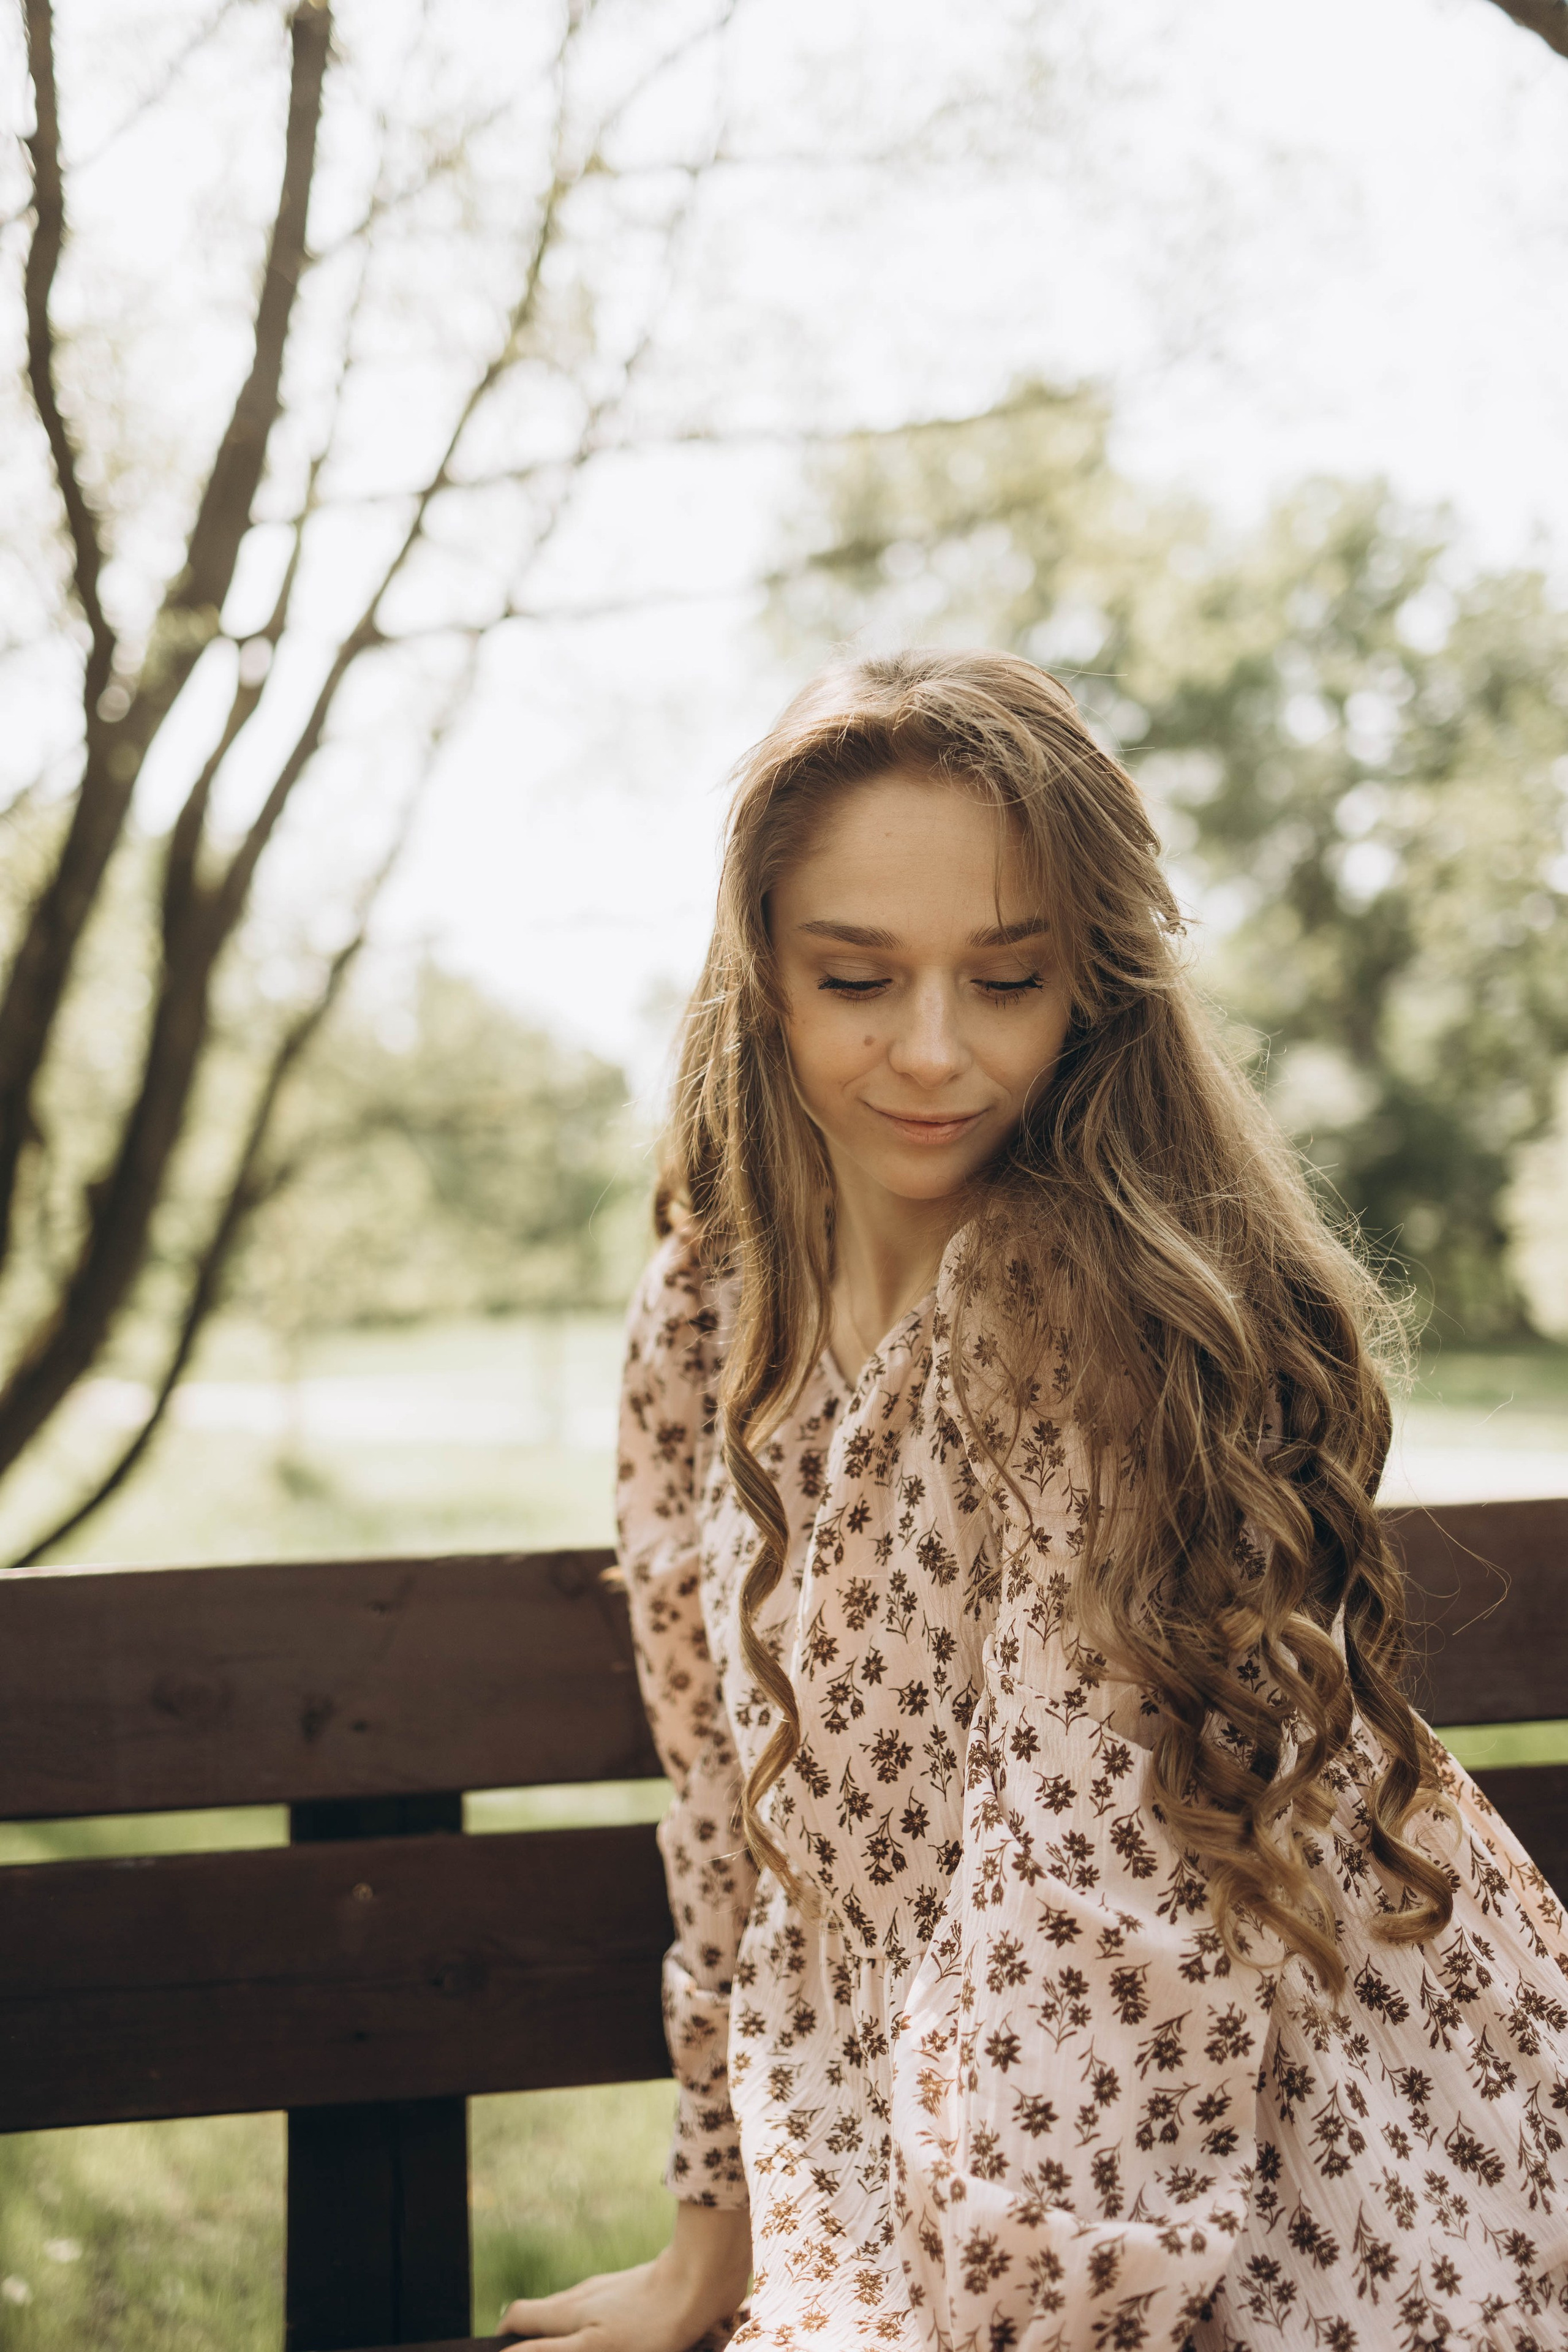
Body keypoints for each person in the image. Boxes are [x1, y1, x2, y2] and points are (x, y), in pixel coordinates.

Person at [502, 650, 1568, 2351]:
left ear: (1095, 989)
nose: (933, 1053)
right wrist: (717, 2242)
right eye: (858, 978)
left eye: (1007, 980)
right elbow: (727, 1811)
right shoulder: (705, 1314)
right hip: (920, 2174)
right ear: (762, 975)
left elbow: (1104, 1931)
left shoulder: (1083, 1316)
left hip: (1281, 2175)